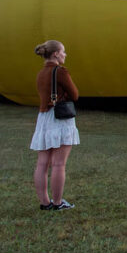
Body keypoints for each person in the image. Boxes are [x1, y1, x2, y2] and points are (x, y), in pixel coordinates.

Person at [31, 40, 80, 211]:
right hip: (59, 118)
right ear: (55, 54)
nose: (65, 55)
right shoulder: (60, 72)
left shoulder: (41, 73)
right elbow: (75, 94)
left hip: (43, 117)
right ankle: (58, 203)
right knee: (59, 164)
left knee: (42, 163)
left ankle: (45, 202)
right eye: (63, 52)